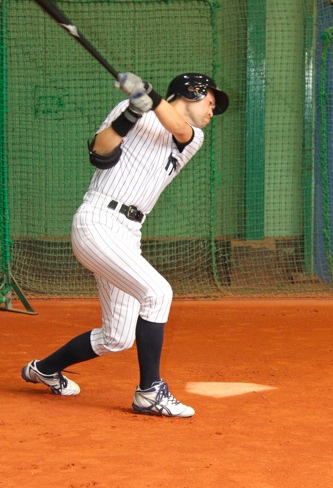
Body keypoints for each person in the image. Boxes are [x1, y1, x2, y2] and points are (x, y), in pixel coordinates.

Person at [21, 71, 229, 418]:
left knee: (117, 337)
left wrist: (150, 95)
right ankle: (149, 391)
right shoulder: (130, 109)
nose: (212, 110)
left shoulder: (194, 137)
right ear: (192, 92)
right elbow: (100, 153)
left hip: (129, 233)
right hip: (98, 221)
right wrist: (132, 111)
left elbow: (179, 128)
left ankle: (44, 369)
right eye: (210, 101)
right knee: (157, 293)